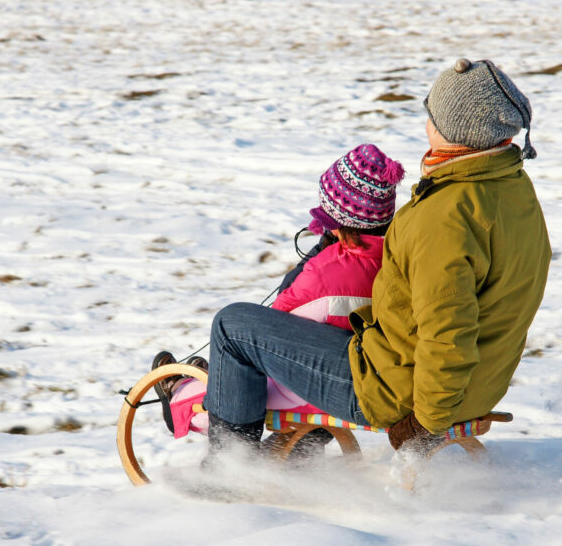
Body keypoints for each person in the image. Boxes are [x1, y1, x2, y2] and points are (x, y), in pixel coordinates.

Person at [202, 57, 551, 463]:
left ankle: (228, 470)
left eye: (431, 116)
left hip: (401, 391)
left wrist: (425, 422)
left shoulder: (443, 217)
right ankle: (287, 454)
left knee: (234, 325)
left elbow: (448, 332)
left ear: (455, 131)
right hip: (477, 384)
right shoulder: (514, 191)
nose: (426, 127)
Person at [153, 144, 405, 437]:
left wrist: (311, 261)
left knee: (235, 337)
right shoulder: (397, 260)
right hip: (358, 372)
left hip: (311, 387)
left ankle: (182, 399)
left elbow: (274, 327)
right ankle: (299, 453)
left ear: (338, 219)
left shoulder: (326, 270)